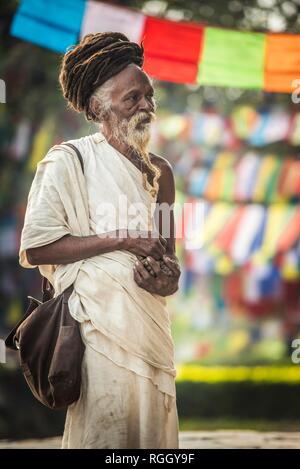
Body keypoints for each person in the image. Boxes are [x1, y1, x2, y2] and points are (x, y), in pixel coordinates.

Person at [18, 32, 181, 449]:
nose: (146, 107)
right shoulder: (67, 162)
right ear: (98, 106)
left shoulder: (161, 174)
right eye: (133, 99)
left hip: (150, 329)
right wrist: (122, 239)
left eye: (150, 97)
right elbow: (37, 247)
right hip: (95, 330)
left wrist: (164, 278)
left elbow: (170, 260)